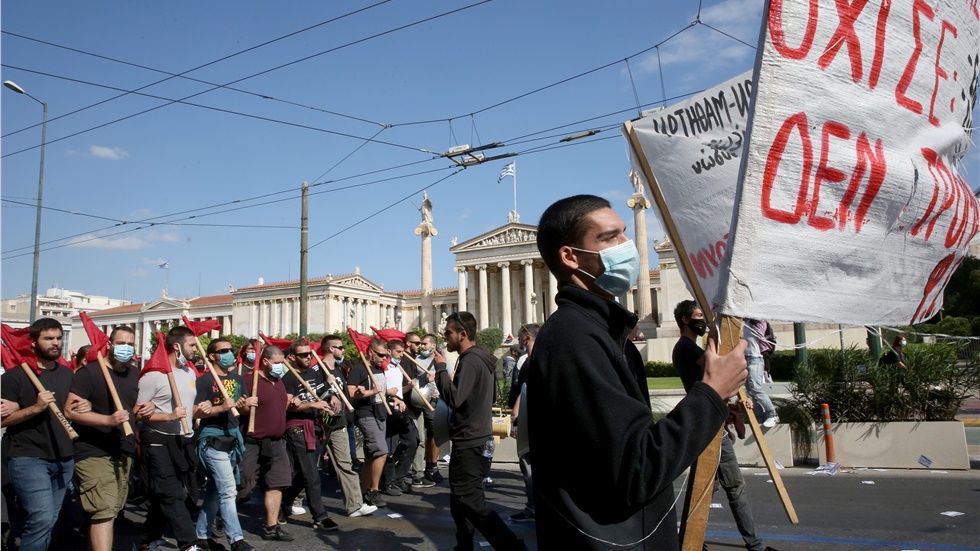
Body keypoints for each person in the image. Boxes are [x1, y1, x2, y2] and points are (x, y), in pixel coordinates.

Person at [525, 195, 749, 550]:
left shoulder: (603, 334)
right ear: (570, 257)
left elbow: (628, 440)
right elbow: (637, 471)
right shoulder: (574, 338)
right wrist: (709, 395)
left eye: (625, 234)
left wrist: (712, 405)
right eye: (610, 238)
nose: (627, 247)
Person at [673, 301, 778, 551]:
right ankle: (755, 545)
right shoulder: (687, 348)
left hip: (709, 418)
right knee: (734, 486)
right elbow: (717, 372)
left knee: (710, 485)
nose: (702, 320)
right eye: (698, 316)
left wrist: (734, 407)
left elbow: (709, 390)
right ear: (685, 320)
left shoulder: (687, 348)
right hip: (710, 424)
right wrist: (715, 335)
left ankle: (691, 541)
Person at [432, 311, 525, 551]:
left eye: (448, 332)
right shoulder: (482, 357)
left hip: (469, 442)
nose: (445, 336)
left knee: (470, 502)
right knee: (460, 500)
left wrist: (441, 369)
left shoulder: (471, 360)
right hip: (478, 438)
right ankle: (463, 546)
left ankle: (512, 547)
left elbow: (455, 397)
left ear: (463, 334)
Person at [64, 325, 152, 551]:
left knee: (110, 510)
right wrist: (107, 420)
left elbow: (132, 407)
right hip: (93, 450)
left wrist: (143, 410)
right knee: (103, 511)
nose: (126, 348)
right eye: (121, 343)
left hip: (123, 449)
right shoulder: (90, 373)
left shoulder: (134, 372)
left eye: (131, 344)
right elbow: (69, 411)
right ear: (110, 345)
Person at [0, 318, 84, 551]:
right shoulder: (14, 377)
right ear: (34, 342)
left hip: (64, 457)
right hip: (28, 458)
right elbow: (2, 420)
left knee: (49, 521)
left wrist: (81, 408)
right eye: (48, 338)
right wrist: (35, 408)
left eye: (58, 338)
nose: (55, 343)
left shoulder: (68, 374)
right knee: (41, 518)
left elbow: (71, 409)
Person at [136, 325, 209, 551]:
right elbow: (137, 412)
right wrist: (167, 415)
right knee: (171, 494)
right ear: (177, 346)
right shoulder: (154, 376)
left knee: (168, 497)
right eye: (191, 346)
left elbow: (188, 409)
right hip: (157, 441)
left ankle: (146, 540)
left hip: (182, 440)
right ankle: (189, 545)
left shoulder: (188, 372)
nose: (195, 350)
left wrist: (201, 409)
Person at [194, 337, 253, 551]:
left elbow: (243, 410)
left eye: (231, 349)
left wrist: (245, 405)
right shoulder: (203, 381)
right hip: (212, 439)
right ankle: (236, 539)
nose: (229, 353)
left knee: (214, 490)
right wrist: (218, 407)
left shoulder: (237, 379)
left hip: (232, 437)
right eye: (224, 350)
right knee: (228, 491)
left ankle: (201, 534)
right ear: (212, 356)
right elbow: (195, 412)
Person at [279, 340, 340, 531]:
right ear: (292, 357)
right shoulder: (289, 378)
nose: (308, 357)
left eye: (309, 354)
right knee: (312, 475)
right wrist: (311, 405)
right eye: (303, 355)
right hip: (297, 429)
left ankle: (283, 502)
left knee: (305, 472)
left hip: (316, 426)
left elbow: (315, 393)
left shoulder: (311, 373)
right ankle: (320, 516)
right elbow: (288, 405)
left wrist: (330, 393)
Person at [238, 345, 296, 542]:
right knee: (245, 484)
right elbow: (239, 411)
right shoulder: (248, 381)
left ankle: (272, 526)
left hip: (277, 442)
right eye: (278, 363)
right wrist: (245, 406)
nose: (281, 367)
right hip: (253, 441)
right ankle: (221, 515)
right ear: (265, 362)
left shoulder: (279, 381)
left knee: (276, 483)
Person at [318, 335, 378, 518]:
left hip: (339, 422)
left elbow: (345, 395)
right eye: (340, 347)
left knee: (345, 464)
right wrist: (326, 390)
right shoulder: (317, 369)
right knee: (310, 466)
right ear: (330, 349)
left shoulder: (337, 370)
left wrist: (358, 393)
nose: (344, 350)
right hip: (321, 424)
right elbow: (311, 391)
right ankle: (293, 500)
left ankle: (354, 505)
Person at [347, 338, 393, 509]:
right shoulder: (359, 369)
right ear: (370, 352)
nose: (384, 358)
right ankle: (374, 490)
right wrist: (368, 392)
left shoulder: (379, 369)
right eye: (381, 355)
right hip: (366, 413)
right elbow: (351, 392)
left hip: (381, 413)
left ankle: (363, 490)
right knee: (381, 451)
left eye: (386, 355)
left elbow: (381, 390)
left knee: (370, 456)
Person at [507, 323, 538, 523]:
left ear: (527, 338)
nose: (517, 341)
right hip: (537, 420)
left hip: (529, 420)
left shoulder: (531, 360)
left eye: (519, 337)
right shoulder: (544, 357)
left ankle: (532, 507)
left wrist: (515, 415)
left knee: (527, 464)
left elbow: (525, 388)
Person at [379, 340, 416, 497]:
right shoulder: (383, 369)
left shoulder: (397, 368)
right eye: (398, 352)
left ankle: (399, 476)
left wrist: (407, 388)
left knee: (413, 440)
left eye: (402, 352)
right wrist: (389, 394)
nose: (402, 355)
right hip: (389, 411)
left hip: (401, 409)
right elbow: (380, 389)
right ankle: (388, 482)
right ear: (389, 352)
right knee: (390, 447)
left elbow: (398, 391)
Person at [743, 318, 779, 427]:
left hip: (755, 358)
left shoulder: (759, 322)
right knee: (750, 391)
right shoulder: (748, 322)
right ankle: (760, 417)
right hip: (747, 358)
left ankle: (772, 414)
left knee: (755, 387)